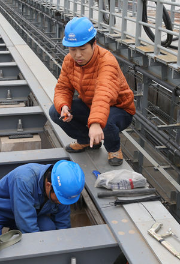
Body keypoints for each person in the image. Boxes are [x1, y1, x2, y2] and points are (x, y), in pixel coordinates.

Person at [49, 17, 136, 166]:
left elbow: (104, 93)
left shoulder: (106, 61)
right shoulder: (69, 61)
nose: (77, 55)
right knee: (55, 112)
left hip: (119, 108)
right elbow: (63, 87)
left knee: (106, 120)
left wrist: (95, 123)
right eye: (72, 50)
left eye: (82, 49)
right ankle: (86, 140)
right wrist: (64, 106)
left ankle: (114, 149)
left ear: (93, 44)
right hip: (91, 105)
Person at [0, 160, 85, 236]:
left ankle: (15, 232)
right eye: (59, 199)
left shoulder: (63, 191)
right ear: (49, 185)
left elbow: (63, 223)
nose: (61, 203)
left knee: (48, 227)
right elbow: (27, 224)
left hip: (27, 214)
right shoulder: (24, 180)